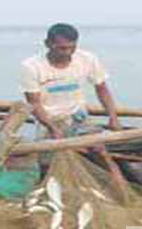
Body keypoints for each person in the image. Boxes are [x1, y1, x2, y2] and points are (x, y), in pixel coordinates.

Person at [20, 23, 122, 179]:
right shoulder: (31, 66)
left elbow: (101, 88)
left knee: (100, 151)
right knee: (48, 164)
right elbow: (34, 103)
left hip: (78, 116)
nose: (67, 52)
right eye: (61, 48)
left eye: (71, 48)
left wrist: (113, 117)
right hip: (49, 119)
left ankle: (120, 190)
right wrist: (53, 128)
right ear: (48, 44)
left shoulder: (87, 59)